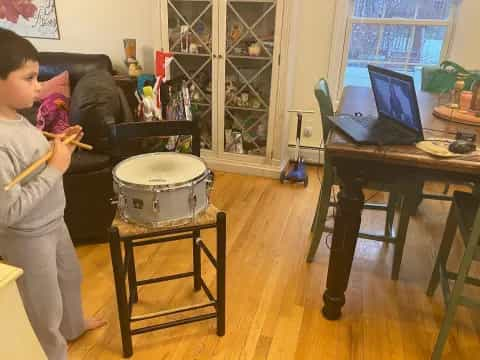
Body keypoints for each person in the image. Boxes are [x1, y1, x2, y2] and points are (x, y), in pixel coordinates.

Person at [0, 28, 105, 359]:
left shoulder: (17, 118)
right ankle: (54, 354)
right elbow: (8, 211)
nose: (39, 85)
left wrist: (58, 144)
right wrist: (56, 167)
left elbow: (32, 158)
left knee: (70, 276)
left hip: (52, 221)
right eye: (29, 78)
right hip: (26, 236)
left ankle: (73, 326)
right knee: (44, 308)